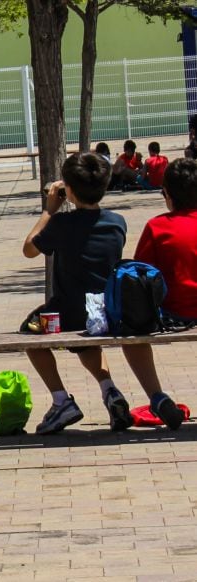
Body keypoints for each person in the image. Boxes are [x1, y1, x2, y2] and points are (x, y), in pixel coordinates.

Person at [22, 152, 133, 435]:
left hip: (68, 311)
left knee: (30, 335)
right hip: (104, 310)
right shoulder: (117, 222)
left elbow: (29, 249)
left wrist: (49, 210)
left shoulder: (61, 224)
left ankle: (61, 400)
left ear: (68, 190)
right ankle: (110, 391)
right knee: (86, 343)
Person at [119, 158, 197, 430]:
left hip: (172, 314)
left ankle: (157, 396)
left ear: (167, 194)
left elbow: (141, 274)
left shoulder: (157, 226)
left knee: (130, 335)